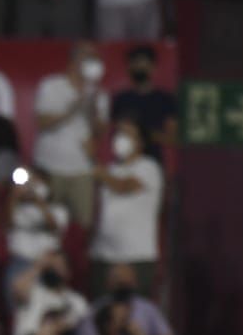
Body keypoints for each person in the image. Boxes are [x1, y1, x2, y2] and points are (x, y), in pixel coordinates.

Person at [33, 44, 107, 230]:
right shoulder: (51, 85)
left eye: (94, 58)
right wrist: (71, 109)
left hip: (82, 170)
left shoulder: (99, 94)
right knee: (48, 224)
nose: (92, 62)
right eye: (87, 57)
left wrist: (92, 108)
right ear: (74, 61)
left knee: (82, 228)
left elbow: (100, 132)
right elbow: (42, 123)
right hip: (50, 167)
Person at [91, 119, 164, 291]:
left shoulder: (149, 167)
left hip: (136, 256)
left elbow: (123, 187)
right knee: (102, 305)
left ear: (141, 142)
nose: (121, 138)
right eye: (119, 133)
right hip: (104, 254)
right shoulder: (109, 169)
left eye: (127, 134)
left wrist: (95, 166)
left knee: (134, 306)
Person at [110, 43, 176, 160]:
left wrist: (148, 134)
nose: (139, 67)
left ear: (153, 67)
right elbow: (114, 133)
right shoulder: (120, 99)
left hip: (153, 159)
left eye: (143, 63)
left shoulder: (165, 99)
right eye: (135, 63)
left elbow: (173, 138)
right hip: (125, 160)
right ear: (129, 68)